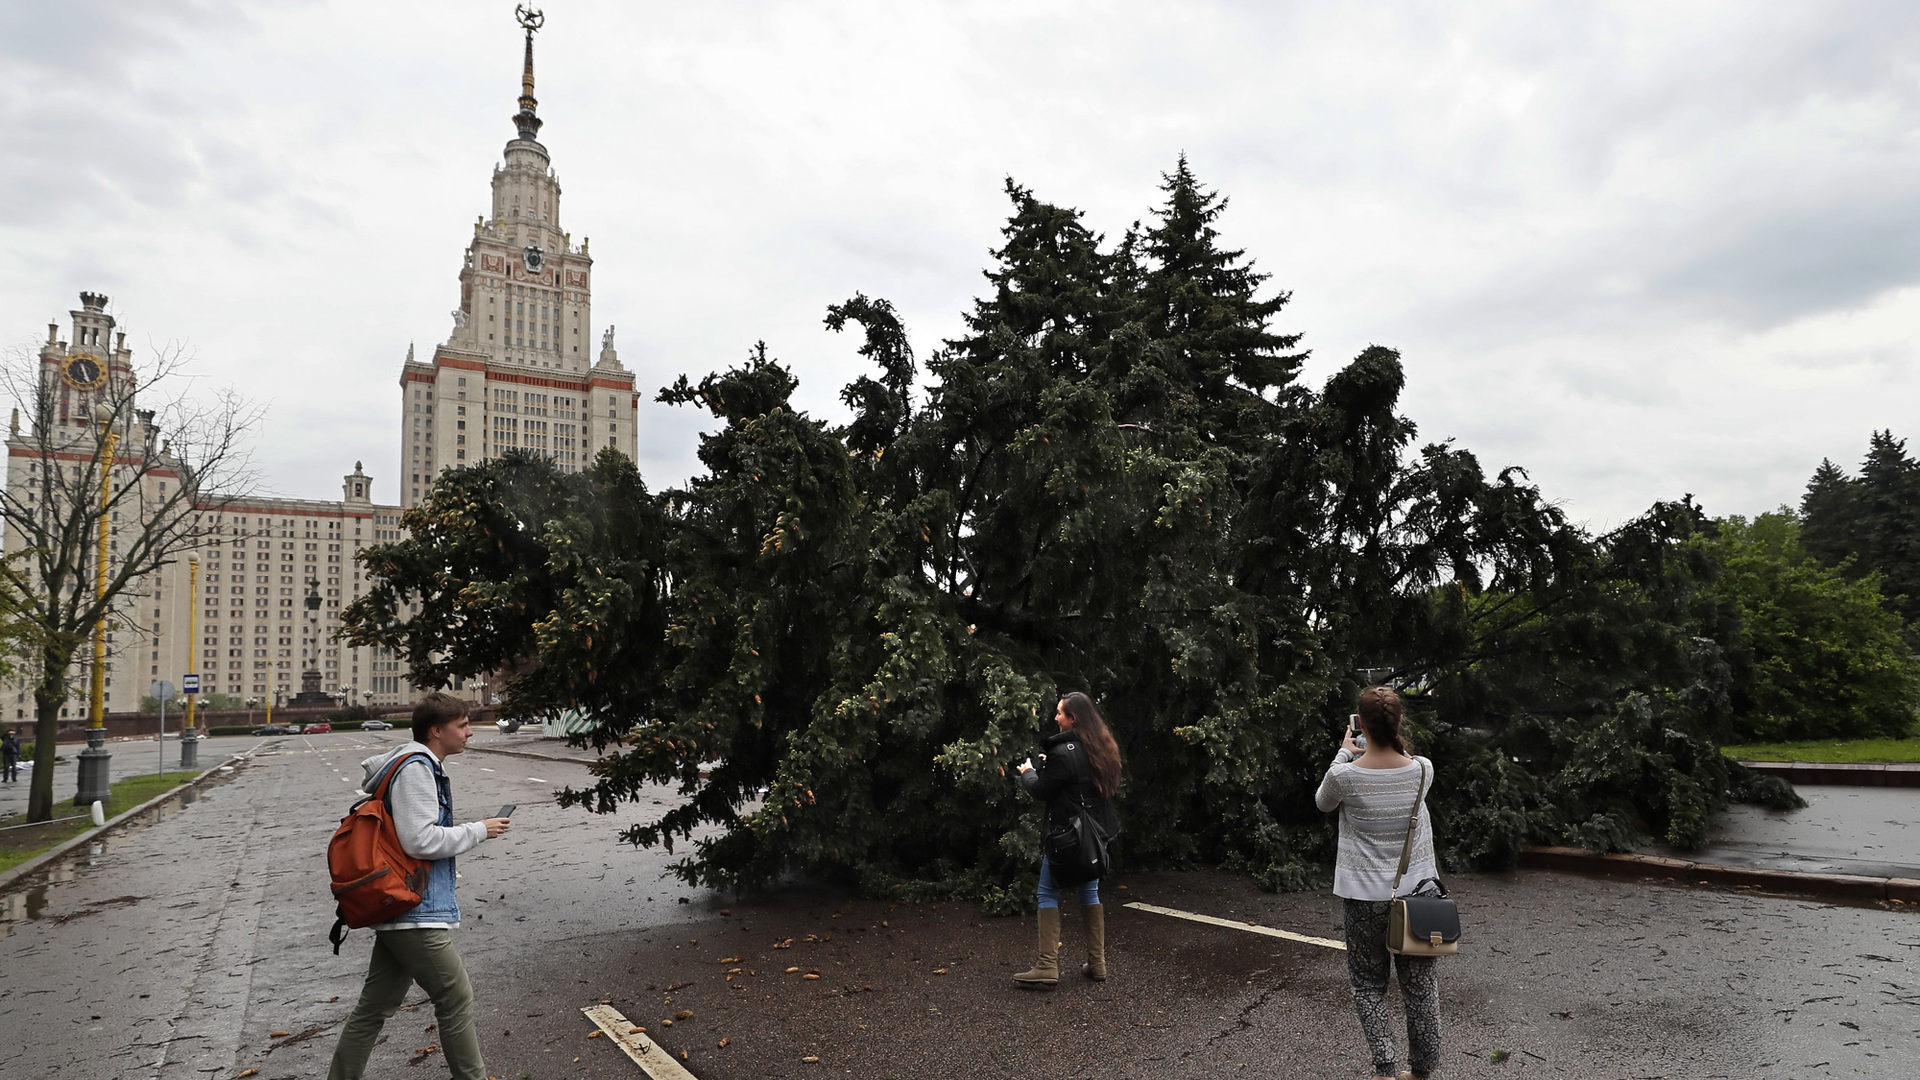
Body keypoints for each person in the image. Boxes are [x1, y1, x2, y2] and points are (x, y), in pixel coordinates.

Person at [328, 693, 511, 1080]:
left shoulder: (419, 765)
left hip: (402, 905)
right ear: (436, 730)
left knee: (373, 1008)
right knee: (455, 996)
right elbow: (420, 840)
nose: (469, 732)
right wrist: (480, 830)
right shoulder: (416, 768)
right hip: (414, 907)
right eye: (462, 725)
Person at [1315, 686, 1441, 1080]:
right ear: (1400, 721)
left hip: (1363, 898)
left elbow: (1322, 801)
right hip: (1419, 897)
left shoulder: (1344, 776)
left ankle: (1385, 1069)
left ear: (1362, 725)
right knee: (1421, 986)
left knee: (1369, 984)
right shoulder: (1423, 769)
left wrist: (1344, 751)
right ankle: (1422, 1071)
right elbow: (1401, 764)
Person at [1012, 691, 1122, 987]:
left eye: (1060, 713)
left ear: (1073, 718)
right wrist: (1052, 765)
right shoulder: (1102, 745)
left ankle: (1047, 966)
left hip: (1067, 836)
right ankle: (1097, 964)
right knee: (1089, 893)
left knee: (1047, 893)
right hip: (1096, 835)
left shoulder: (1063, 753)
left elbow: (1041, 790)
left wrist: (1029, 772)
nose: (1055, 717)